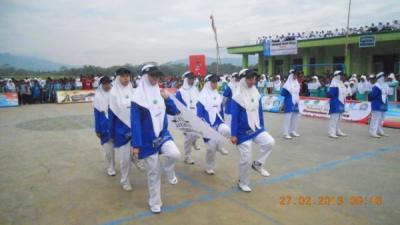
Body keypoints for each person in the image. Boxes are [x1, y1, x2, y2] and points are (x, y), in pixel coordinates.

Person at [130, 65, 181, 214]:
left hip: (162, 135)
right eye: (152, 76)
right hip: (147, 140)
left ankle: (169, 169)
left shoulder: (160, 93)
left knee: (175, 154)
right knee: (153, 173)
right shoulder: (137, 98)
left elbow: (174, 111)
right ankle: (155, 202)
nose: (155, 79)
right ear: (145, 77)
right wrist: (136, 144)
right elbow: (135, 123)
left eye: (157, 76)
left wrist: (168, 99)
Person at [230, 68, 275, 192]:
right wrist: (233, 134)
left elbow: (259, 112)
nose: (252, 81)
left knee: (269, 142)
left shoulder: (256, 92)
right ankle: (242, 182)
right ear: (243, 79)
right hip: (242, 132)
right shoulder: (237, 97)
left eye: (253, 78)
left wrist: (262, 128)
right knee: (246, 158)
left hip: (256, 128)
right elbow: (234, 117)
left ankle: (258, 164)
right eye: (249, 79)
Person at [109, 68, 143, 192]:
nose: (126, 78)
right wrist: (111, 133)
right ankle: (125, 180)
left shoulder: (132, 91)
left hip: (134, 128)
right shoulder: (113, 94)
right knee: (124, 160)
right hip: (121, 131)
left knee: (135, 151)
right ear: (118, 78)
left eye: (128, 76)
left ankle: (135, 158)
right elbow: (112, 115)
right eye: (123, 76)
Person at [197, 74, 230, 175]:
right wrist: (205, 126)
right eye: (213, 82)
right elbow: (199, 114)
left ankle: (220, 146)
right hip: (206, 125)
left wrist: (222, 122)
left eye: (216, 82)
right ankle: (209, 167)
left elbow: (220, 112)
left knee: (226, 130)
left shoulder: (217, 95)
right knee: (211, 148)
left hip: (217, 122)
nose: (215, 84)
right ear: (207, 83)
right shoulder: (201, 97)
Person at [175, 71, 201, 165]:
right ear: (185, 79)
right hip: (185, 118)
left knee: (199, 133)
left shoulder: (195, 90)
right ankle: (187, 157)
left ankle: (194, 141)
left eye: (193, 79)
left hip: (196, 116)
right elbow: (178, 106)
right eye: (190, 79)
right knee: (188, 138)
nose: (192, 80)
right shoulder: (180, 92)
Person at [94, 76, 116, 176]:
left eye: (108, 83)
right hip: (104, 127)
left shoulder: (115, 94)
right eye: (104, 84)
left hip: (117, 126)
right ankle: (111, 167)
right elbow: (96, 114)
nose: (107, 86)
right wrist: (97, 129)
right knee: (109, 151)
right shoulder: (98, 97)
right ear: (101, 85)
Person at [280, 69, 301, 139]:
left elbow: (298, 92)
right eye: (294, 75)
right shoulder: (287, 84)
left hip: (296, 102)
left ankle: (293, 131)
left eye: (296, 75)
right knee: (288, 118)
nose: (295, 76)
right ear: (291, 75)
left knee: (295, 117)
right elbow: (282, 93)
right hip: (289, 102)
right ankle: (285, 133)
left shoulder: (297, 83)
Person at [369, 72, 389, 138]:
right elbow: (372, 95)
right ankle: (373, 132)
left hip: (383, 104)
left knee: (382, 118)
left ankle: (379, 131)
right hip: (377, 104)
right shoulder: (376, 86)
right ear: (381, 78)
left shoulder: (385, 85)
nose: (387, 78)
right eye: (385, 77)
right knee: (375, 118)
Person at [327, 70, 347, 138]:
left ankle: (337, 131)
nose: (342, 77)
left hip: (341, 103)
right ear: (337, 76)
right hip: (335, 102)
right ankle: (331, 132)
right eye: (341, 75)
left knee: (339, 118)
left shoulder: (341, 83)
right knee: (334, 118)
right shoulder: (334, 84)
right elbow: (330, 94)